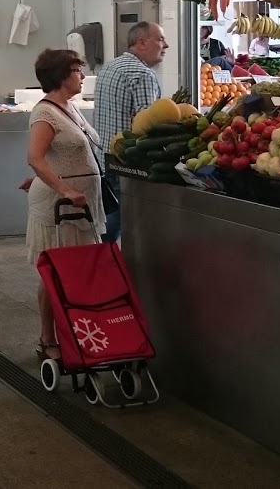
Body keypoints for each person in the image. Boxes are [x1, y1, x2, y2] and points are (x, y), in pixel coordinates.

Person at [24, 49, 106, 362]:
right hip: (60, 206)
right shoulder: (44, 113)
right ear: (61, 76)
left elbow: (62, 154)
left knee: (72, 270)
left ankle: (77, 331)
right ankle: (48, 338)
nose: (82, 76)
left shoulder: (69, 107)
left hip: (80, 206)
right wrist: (64, 188)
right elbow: (35, 157)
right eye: (76, 70)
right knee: (54, 272)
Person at [92, 21, 168, 243]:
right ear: (142, 42)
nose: (166, 45)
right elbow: (148, 127)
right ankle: (104, 269)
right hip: (128, 163)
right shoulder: (142, 75)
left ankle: (98, 266)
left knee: (109, 221)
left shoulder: (110, 66)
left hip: (105, 157)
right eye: (160, 39)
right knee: (122, 224)